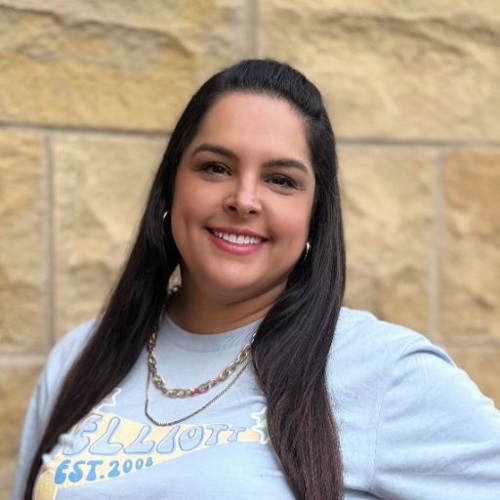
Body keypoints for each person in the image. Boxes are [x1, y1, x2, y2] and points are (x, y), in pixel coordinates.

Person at [12, 59, 500, 500]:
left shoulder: (382, 371)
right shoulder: (80, 357)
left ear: (314, 216)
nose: (244, 200)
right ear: (171, 187)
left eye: (281, 180)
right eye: (215, 168)